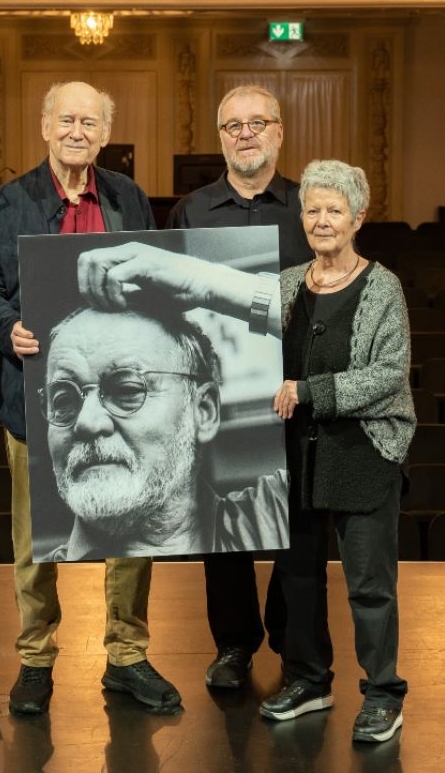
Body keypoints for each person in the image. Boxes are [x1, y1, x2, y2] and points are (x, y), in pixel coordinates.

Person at [0, 81, 180, 714]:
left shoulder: (129, 198)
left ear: (103, 134)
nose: (77, 131)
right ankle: (35, 660)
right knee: (36, 544)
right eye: (67, 119)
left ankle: (127, 656)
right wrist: (9, 328)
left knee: (131, 531)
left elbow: (155, 279)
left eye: (90, 122)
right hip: (37, 400)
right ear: (45, 125)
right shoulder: (9, 202)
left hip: (121, 398)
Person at [166, 85, 313, 690]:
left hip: (300, 390)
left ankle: (289, 633)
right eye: (233, 125)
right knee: (222, 525)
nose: (245, 134)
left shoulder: (312, 204)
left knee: (298, 523)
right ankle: (233, 644)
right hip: (220, 392)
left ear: (279, 132)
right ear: (220, 136)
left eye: (258, 123)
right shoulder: (191, 211)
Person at [261, 159, 414, 743]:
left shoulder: (382, 287)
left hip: (363, 451)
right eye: (313, 210)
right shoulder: (285, 283)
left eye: (334, 211)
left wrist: (309, 390)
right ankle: (308, 679)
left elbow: (388, 376)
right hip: (294, 452)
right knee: (297, 577)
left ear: (358, 218)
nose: (322, 221)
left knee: (369, 584)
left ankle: (382, 694)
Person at [37, 305, 288, 559]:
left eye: (127, 391)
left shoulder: (275, 521)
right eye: (63, 401)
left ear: (203, 411)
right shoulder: (39, 588)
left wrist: (199, 285)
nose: (87, 422)